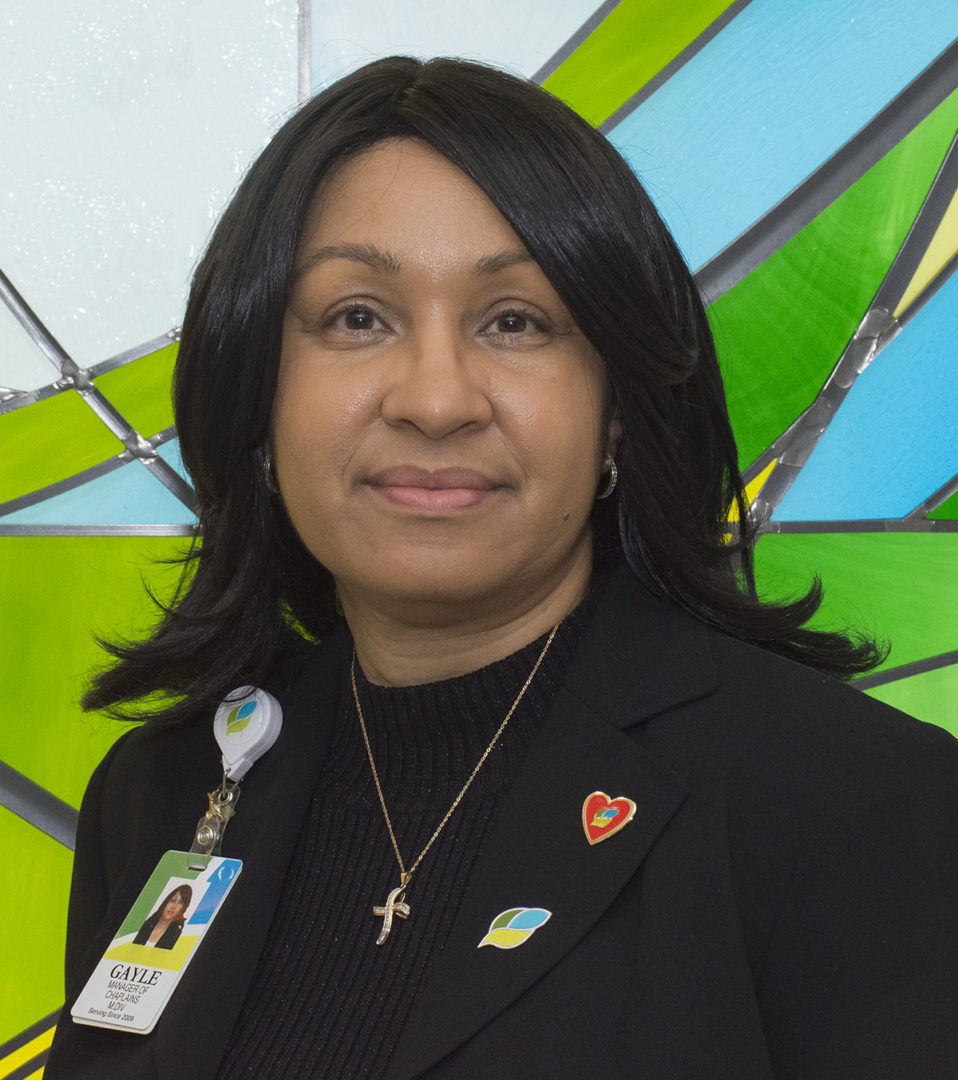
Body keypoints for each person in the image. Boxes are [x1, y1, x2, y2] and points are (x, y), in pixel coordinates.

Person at [47, 56, 958, 1079]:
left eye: (514, 321)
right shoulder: (162, 792)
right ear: (256, 396)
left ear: (616, 412)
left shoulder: (850, 801)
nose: (436, 401)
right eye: (357, 318)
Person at [131, 884, 193, 950]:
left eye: (180, 903)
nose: (174, 906)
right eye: (173, 900)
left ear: (183, 909)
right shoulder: (145, 926)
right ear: (166, 902)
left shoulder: (176, 936)